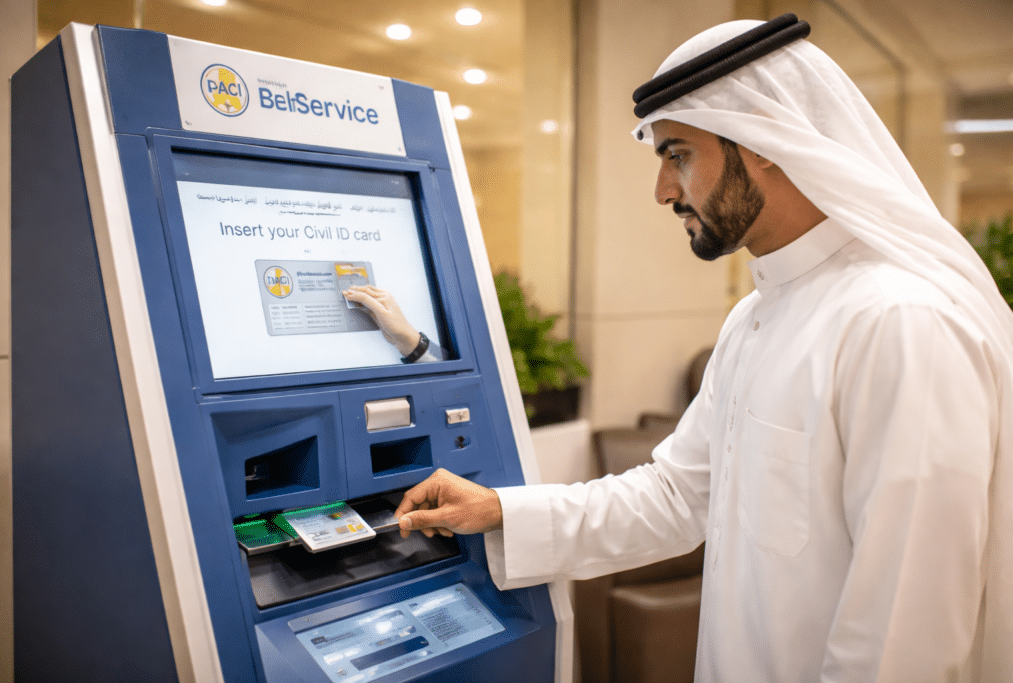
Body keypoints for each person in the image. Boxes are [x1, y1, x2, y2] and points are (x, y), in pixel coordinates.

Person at [393, 16, 1013, 682]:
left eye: (679, 154)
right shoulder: (755, 317)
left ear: (764, 139)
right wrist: (498, 511)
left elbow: (903, 641)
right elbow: (675, 496)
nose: (663, 189)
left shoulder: (902, 323)